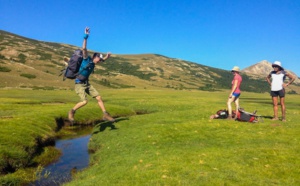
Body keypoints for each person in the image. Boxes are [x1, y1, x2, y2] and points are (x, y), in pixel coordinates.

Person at [68, 27, 115, 123]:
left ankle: (105, 114)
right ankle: (72, 111)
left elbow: (102, 60)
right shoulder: (86, 59)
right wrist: (86, 36)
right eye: (99, 58)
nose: (100, 60)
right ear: (95, 57)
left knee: (99, 98)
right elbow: (84, 48)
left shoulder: (94, 63)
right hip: (79, 83)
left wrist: (107, 57)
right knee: (84, 101)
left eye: (100, 59)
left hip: (87, 83)